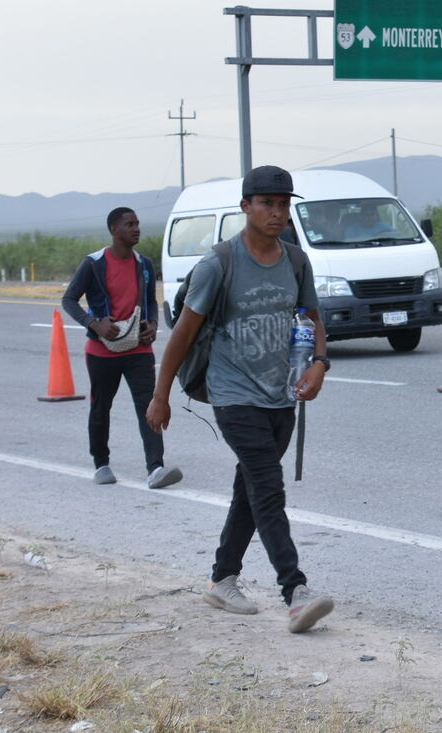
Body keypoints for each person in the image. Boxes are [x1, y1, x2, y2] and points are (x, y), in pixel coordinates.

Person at [146, 165, 334, 634]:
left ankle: (221, 579)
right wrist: (160, 395)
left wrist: (319, 363)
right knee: (268, 488)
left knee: (249, 491)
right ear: (245, 206)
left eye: (283, 204)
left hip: (280, 394)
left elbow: (312, 318)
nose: (276, 212)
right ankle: (296, 591)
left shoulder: (295, 260)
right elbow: (183, 336)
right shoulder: (219, 264)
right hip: (233, 394)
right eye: (266, 203)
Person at [62, 208, 182, 490]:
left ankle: (156, 468)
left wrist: (152, 323)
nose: (137, 228)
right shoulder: (93, 264)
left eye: (138, 223)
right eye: (130, 224)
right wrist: (94, 323)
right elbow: (69, 300)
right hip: (102, 352)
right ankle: (101, 464)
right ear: (114, 230)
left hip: (138, 351)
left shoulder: (145, 264)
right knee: (101, 407)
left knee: (149, 406)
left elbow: (151, 301)